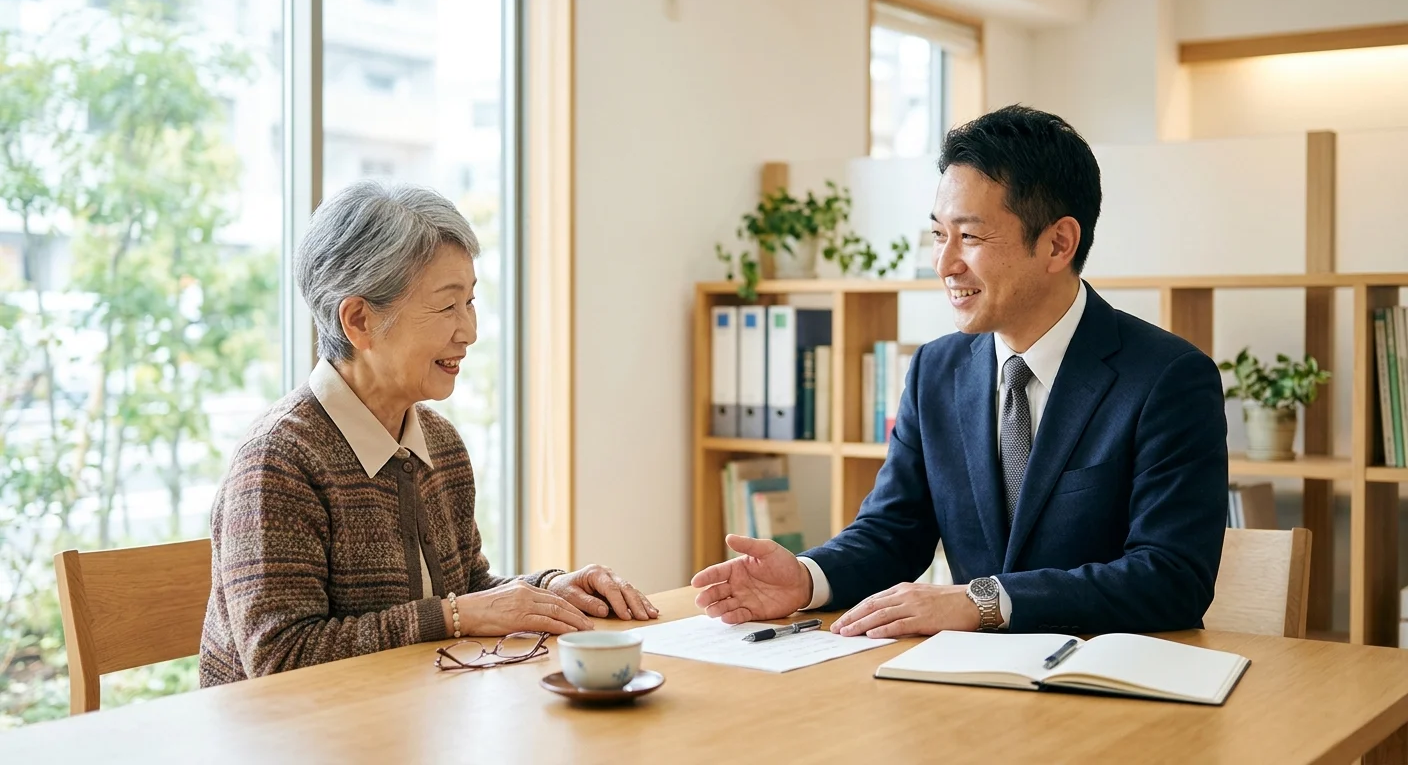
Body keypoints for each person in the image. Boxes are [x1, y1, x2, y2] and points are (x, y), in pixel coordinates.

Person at [693, 105, 1228, 639]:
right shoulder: (935, 370)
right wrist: (808, 578)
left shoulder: (1169, 378)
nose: (945, 263)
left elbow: (1171, 577)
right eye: (937, 235)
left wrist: (984, 601)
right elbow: (893, 531)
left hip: (1107, 688)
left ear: (1058, 243)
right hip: (965, 686)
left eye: (969, 237)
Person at [200, 181, 657, 686]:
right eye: (447, 306)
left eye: (471, 302)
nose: (470, 330)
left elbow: (470, 591)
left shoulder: (440, 444)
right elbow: (281, 657)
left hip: (408, 725)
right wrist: (456, 616)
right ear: (359, 321)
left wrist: (553, 590)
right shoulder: (278, 460)